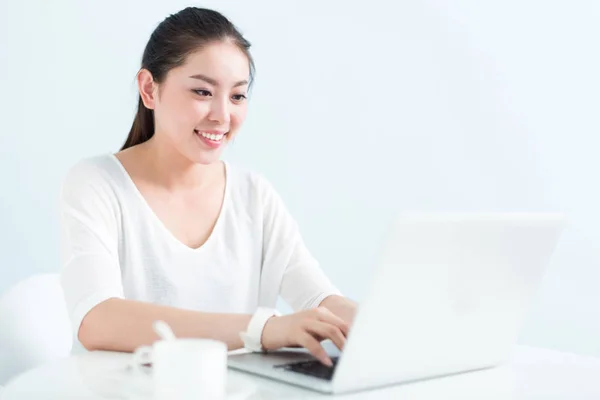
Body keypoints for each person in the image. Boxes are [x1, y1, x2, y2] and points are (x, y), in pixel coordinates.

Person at [59, 6, 356, 367]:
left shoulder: (253, 195)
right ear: (150, 89)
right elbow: (98, 319)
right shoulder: (96, 184)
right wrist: (263, 329)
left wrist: (371, 325)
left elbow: (317, 298)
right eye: (202, 92)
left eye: (237, 96)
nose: (222, 115)